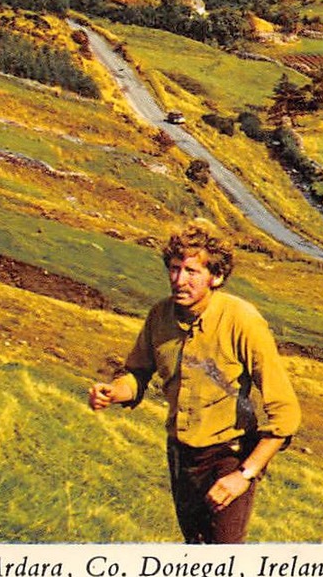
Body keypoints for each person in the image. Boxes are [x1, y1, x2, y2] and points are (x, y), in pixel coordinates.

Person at [89, 222, 300, 543]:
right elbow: (137, 374)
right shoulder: (159, 316)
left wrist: (243, 475)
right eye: (174, 269)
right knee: (195, 547)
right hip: (181, 456)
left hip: (229, 457)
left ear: (216, 276)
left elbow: (286, 414)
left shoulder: (242, 319)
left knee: (223, 557)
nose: (179, 280)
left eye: (191, 271)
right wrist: (113, 392)